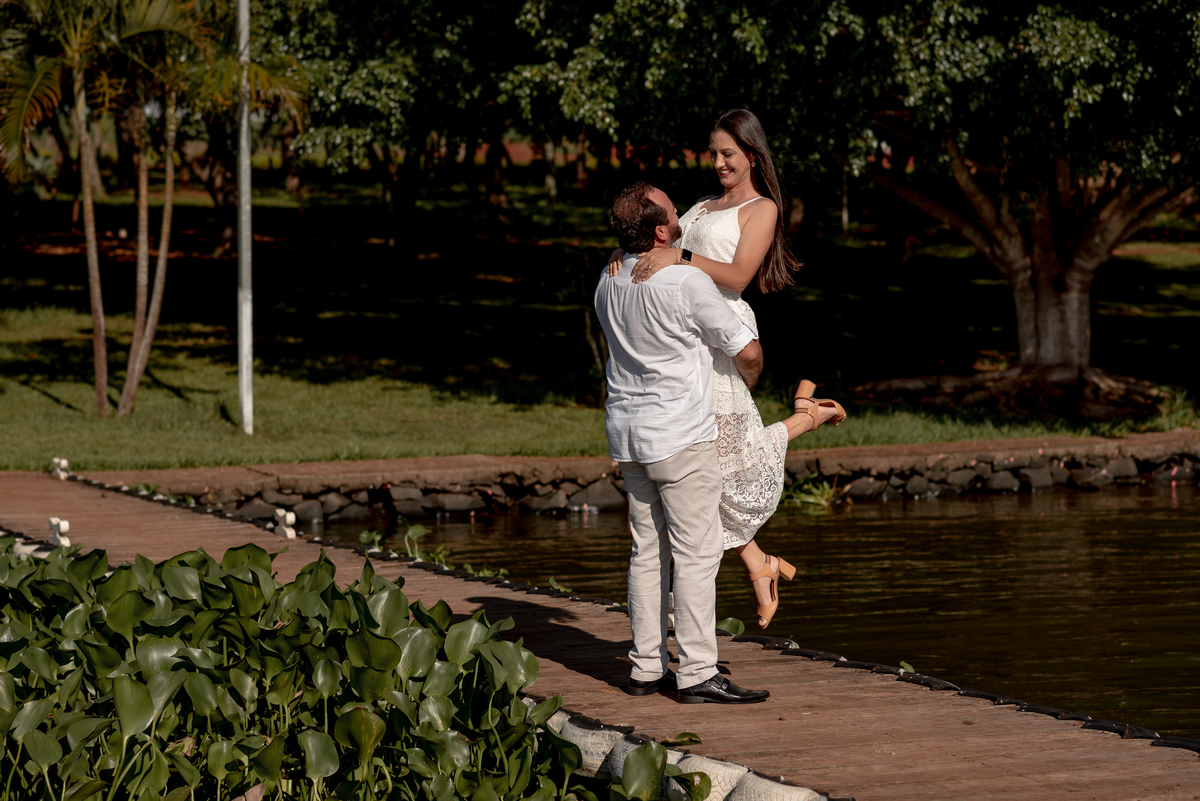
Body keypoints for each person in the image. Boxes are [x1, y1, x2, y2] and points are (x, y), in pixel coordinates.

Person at [607, 109, 845, 629]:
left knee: (718, 464)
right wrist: (623, 256)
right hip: (683, 336)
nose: (717, 163)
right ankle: (758, 563)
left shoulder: (763, 209)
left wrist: (680, 258)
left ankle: (807, 418)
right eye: (713, 153)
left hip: (721, 331)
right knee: (705, 469)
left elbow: (738, 275)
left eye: (727, 154)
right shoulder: (701, 205)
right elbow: (657, 244)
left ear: (753, 155)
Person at [597, 181, 769, 704]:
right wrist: (749, 378)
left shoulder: (608, 281)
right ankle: (697, 673)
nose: (681, 218)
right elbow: (748, 349)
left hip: (628, 438)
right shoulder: (684, 282)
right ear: (659, 230)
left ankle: (646, 668)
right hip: (680, 437)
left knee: (647, 552)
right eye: (673, 213)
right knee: (696, 556)